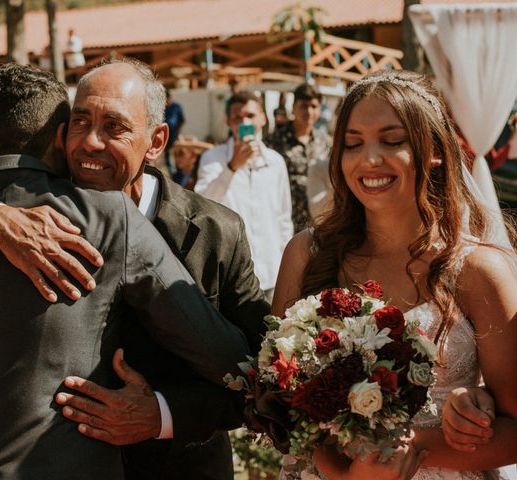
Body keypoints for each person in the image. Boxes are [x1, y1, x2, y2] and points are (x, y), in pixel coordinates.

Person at [0, 62, 252, 480]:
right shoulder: (96, 216)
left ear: (156, 140)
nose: (91, 142)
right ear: (60, 135)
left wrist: (161, 413)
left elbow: (253, 371)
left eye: (113, 126)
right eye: (80, 122)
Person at [272, 69, 517, 479]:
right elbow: (276, 404)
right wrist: (345, 475)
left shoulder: (478, 271)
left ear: (435, 150)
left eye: (392, 141)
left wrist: (425, 440)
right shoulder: (307, 254)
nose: (369, 159)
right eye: (353, 144)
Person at [195, 91, 293, 299]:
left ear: (263, 119)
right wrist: (232, 167)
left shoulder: (275, 162)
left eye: (250, 116)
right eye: (237, 118)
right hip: (232, 273)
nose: (244, 122)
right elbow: (202, 205)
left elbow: (284, 218)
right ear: (228, 122)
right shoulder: (213, 159)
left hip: (272, 271)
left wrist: (288, 266)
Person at [266, 83, 332, 230]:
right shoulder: (275, 140)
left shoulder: (324, 142)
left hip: (318, 221)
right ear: (294, 107)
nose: (309, 111)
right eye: (303, 106)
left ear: (320, 110)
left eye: (314, 106)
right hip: (285, 220)